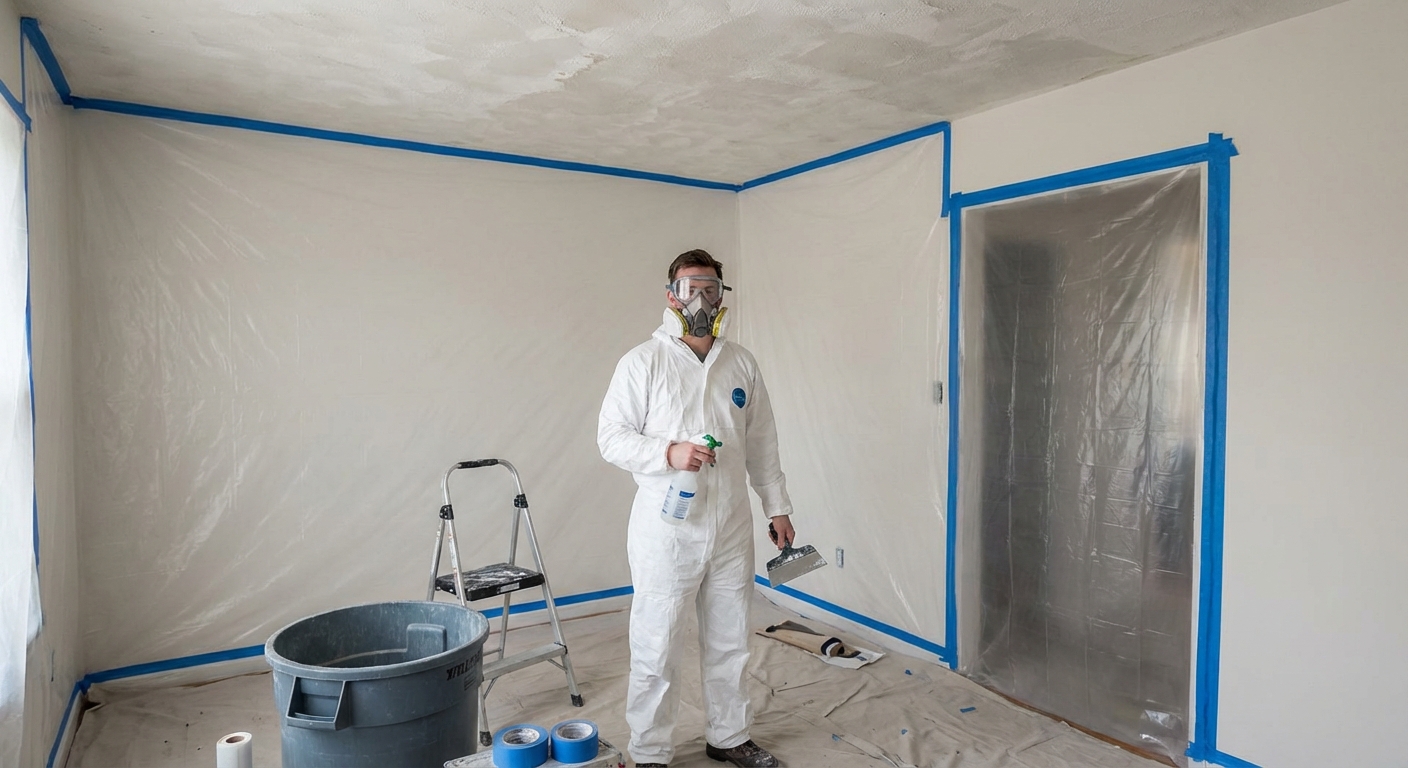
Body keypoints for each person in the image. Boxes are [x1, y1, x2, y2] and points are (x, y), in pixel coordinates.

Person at [598, 249, 795, 768]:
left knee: (731, 638)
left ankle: (728, 737)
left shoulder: (741, 362)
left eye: (711, 288)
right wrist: (667, 452)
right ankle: (649, 752)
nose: (701, 299)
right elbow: (611, 438)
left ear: (723, 296)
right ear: (670, 296)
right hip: (667, 529)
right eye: (690, 288)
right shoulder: (643, 361)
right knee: (657, 643)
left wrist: (776, 506)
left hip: (731, 525)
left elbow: (763, 443)